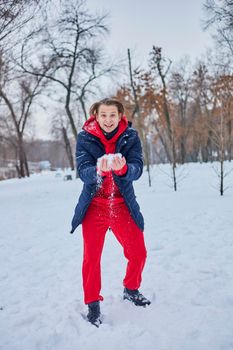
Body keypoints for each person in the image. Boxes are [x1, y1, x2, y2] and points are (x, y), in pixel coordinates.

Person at [70, 98, 151, 327]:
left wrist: (124, 169)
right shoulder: (85, 137)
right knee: (91, 259)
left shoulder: (130, 137)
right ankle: (93, 305)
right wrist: (98, 170)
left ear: (120, 116)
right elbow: (83, 172)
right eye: (103, 115)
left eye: (112, 115)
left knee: (138, 252)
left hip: (122, 204)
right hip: (95, 206)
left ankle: (131, 289)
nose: (107, 120)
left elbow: (137, 169)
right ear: (95, 115)